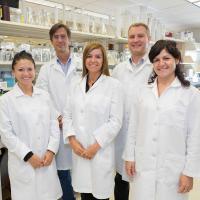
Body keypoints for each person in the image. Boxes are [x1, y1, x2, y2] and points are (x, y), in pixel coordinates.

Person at [123, 39, 200, 200]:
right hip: (143, 165)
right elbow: (133, 127)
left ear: (177, 60)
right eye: (156, 60)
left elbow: (195, 136)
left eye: (166, 58)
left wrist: (189, 172)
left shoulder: (190, 94)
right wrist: (130, 156)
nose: (161, 63)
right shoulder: (143, 91)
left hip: (173, 169)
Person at [63, 42, 123, 200]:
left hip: (100, 152)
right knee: (85, 194)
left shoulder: (114, 85)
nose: (93, 60)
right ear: (84, 60)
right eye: (89, 56)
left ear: (103, 60)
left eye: (98, 56)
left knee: (100, 195)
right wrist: (73, 141)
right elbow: (67, 114)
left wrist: (95, 147)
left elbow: (115, 121)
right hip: (79, 150)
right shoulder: (75, 84)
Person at [0, 51, 62, 200]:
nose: (26, 74)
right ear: (13, 72)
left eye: (29, 69)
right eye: (21, 70)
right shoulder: (6, 100)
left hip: (46, 161)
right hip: (23, 164)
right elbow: (6, 135)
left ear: (35, 70)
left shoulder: (44, 96)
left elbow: (54, 124)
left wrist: (51, 150)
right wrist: (28, 156)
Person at [36, 23, 81, 200]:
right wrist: (58, 117)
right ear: (51, 41)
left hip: (80, 123)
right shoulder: (46, 69)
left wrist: (73, 118)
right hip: (58, 124)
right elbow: (42, 96)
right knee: (62, 170)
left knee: (81, 168)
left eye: (63, 36)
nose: (60, 40)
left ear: (69, 39)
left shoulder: (81, 64)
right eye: (56, 37)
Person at [112, 22, 152, 200]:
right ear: (127, 40)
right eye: (132, 36)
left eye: (140, 36)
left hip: (146, 137)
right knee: (121, 180)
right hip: (121, 137)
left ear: (148, 39)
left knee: (143, 184)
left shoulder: (156, 68)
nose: (136, 40)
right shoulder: (119, 69)